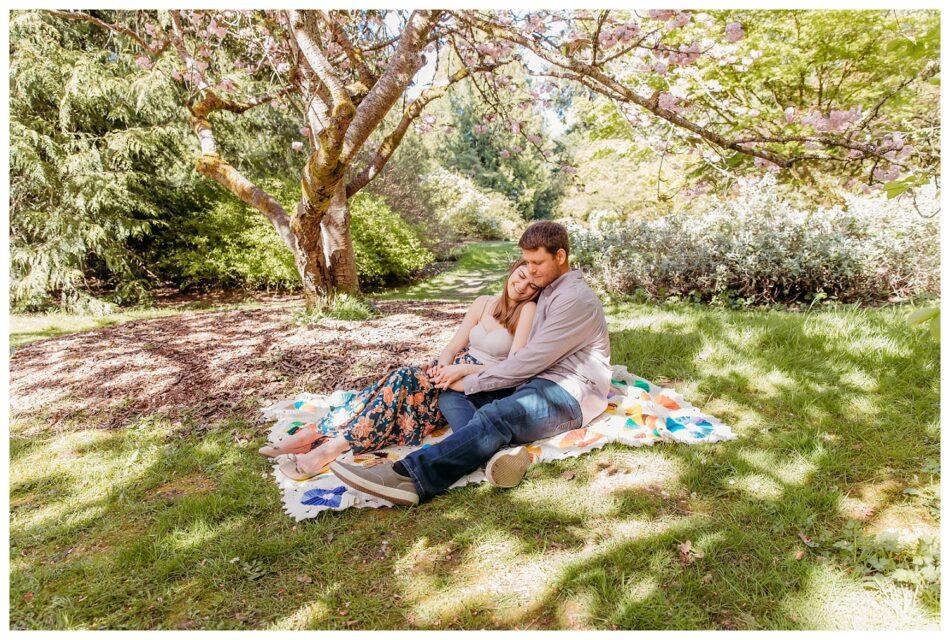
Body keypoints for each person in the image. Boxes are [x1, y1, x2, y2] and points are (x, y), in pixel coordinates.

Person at [329, 221, 612, 506]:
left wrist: (471, 378)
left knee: (497, 415)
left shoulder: (574, 298)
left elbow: (528, 360)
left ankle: (411, 476)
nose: (532, 271)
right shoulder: (549, 289)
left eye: (537, 262)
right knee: (453, 392)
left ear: (560, 257)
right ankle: (492, 455)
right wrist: (461, 378)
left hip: (570, 393)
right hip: (537, 382)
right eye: (527, 262)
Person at [267, 258, 541, 481]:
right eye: (520, 276)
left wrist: (464, 370)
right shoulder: (483, 303)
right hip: (450, 373)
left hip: (476, 381)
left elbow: (511, 366)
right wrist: (441, 366)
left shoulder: (527, 309)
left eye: (531, 285)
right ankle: (317, 437)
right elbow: (453, 346)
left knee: (398, 384)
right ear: (512, 270)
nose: (522, 286)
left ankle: (324, 445)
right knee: (399, 381)